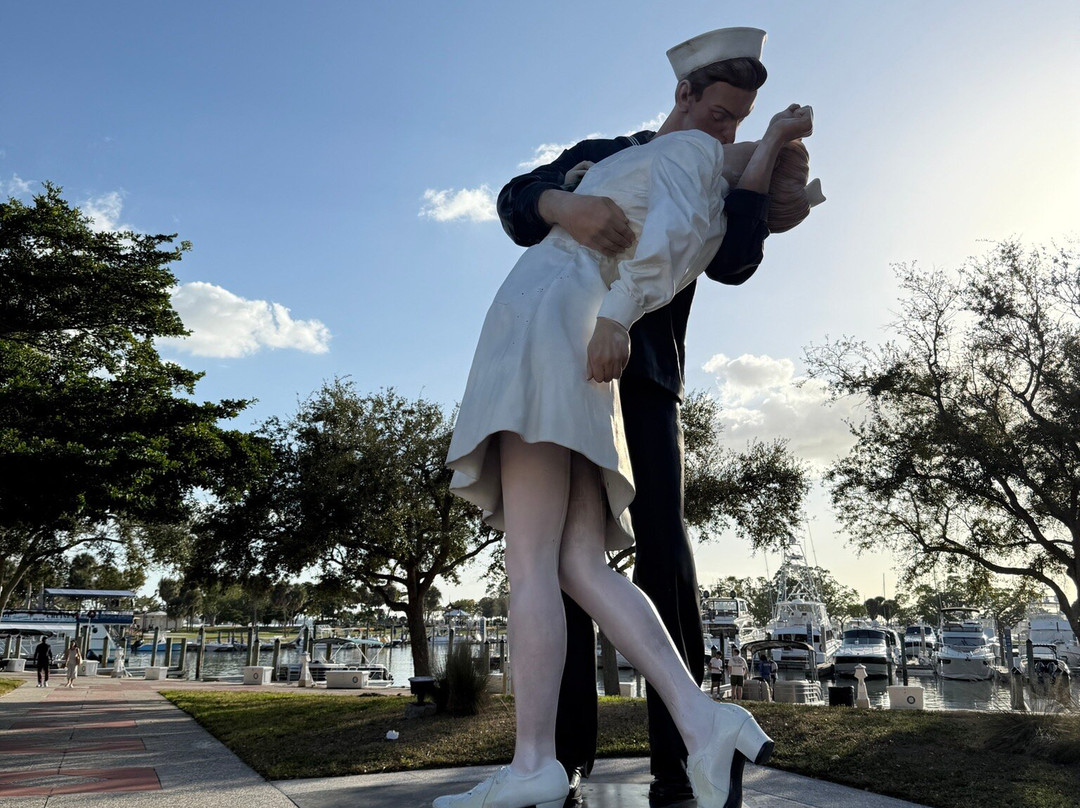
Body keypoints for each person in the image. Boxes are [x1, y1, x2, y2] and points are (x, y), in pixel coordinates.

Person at [441, 45, 818, 808]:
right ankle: (628, 741)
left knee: (615, 556)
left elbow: (728, 258)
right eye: (721, 116)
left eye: (739, 127)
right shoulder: (616, 153)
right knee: (575, 562)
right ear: (683, 93)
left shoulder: (702, 168)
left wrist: (770, 158)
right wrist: (562, 204)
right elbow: (520, 197)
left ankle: (601, 758)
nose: (727, 133)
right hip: (586, 349)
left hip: (611, 357)